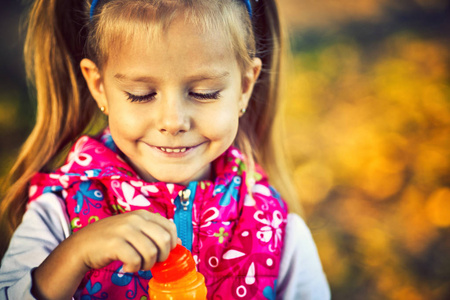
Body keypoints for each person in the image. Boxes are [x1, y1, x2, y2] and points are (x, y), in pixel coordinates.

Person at [0, 0, 330, 299]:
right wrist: (74, 256)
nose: (173, 122)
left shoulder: (275, 231)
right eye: (141, 94)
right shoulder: (60, 214)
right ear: (99, 86)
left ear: (244, 87)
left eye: (204, 92)